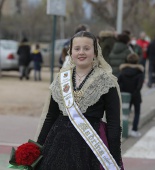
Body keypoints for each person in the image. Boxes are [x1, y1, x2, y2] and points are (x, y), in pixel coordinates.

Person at [35, 31, 124, 170]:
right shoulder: (61, 79)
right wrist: (36, 147)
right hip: (57, 145)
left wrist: (115, 158)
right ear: (71, 52)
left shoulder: (107, 81)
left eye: (86, 48)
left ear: (95, 52)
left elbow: (114, 124)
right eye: (77, 49)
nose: (81, 52)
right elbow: (50, 117)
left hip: (90, 148)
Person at [118, 53, 144, 137]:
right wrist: (135, 93)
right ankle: (134, 130)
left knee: (125, 113)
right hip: (136, 95)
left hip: (125, 96)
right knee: (137, 113)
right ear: (137, 61)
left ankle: (123, 130)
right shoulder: (139, 72)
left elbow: (118, 83)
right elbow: (139, 86)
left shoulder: (122, 72)